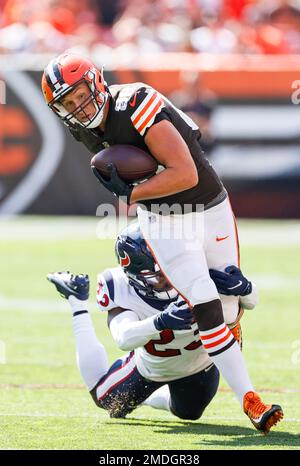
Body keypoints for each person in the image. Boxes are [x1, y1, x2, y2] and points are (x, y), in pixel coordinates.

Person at [42, 53, 283, 432]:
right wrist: (135, 194)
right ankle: (250, 400)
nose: (77, 106)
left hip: (207, 205)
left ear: (97, 81)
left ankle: (233, 341)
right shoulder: (82, 128)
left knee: (232, 304)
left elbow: (184, 173)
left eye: (79, 94)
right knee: (204, 300)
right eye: (67, 103)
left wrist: (131, 194)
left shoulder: (136, 101)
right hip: (161, 218)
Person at [47, 222, 261, 425]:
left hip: (200, 363)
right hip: (150, 366)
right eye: (156, 276)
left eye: (168, 269)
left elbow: (250, 304)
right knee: (109, 403)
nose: (168, 279)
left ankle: (150, 398)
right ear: (133, 277)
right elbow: (123, 337)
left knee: (189, 412)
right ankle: (77, 301)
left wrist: (247, 289)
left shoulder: (197, 266)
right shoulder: (120, 287)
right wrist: (160, 322)